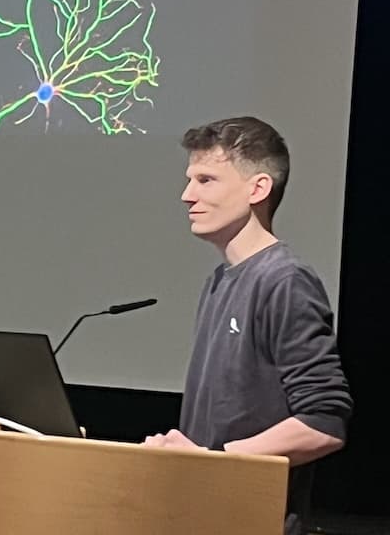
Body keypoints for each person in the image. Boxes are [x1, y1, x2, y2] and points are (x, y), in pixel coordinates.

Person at [143, 116, 352, 535]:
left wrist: (216, 460)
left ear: (258, 189)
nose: (187, 195)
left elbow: (324, 421)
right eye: (189, 180)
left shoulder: (285, 280)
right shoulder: (220, 280)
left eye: (206, 180)